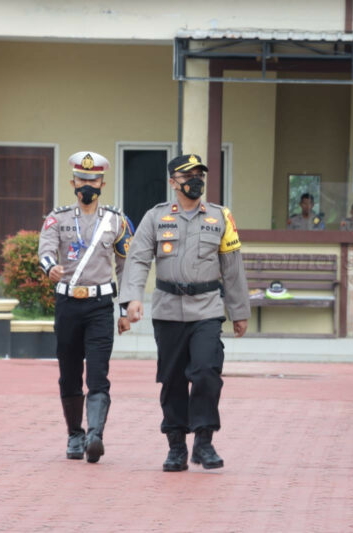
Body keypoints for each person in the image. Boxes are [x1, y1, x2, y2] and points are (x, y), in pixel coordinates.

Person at [118, 154, 250, 472]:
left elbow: (232, 268)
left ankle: (203, 442)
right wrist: (131, 299)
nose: (196, 180)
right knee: (173, 380)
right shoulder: (156, 217)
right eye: (188, 175)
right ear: (173, 182)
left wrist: (239, 310)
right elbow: (136, 259)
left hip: (206, 309)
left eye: (199, 175)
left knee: (206, 372)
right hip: (168, 311)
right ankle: (176, 445)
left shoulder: (221, 217)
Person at [38, 151, 135, 463]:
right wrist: (50, 267)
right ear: (73, 182)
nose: (88, 184)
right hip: (67, 303)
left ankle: (95, 434)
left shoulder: (116, 221)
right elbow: (45, 251)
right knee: (68, 373)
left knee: (97, 373)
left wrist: (124, 310)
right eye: (82, 179)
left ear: (102, 183)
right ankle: (74, 435)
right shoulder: (58, 218)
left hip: (99, 305)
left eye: (93, 179)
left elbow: (127, 268)